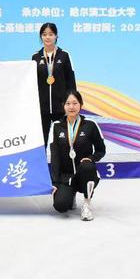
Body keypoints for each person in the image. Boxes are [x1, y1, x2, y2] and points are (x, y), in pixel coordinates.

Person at [49, 90, 106, 221]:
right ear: (63, 105)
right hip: (66, 176)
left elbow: (101, 150)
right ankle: (71, 195)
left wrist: (91, 158)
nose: (71, 107)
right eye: (68, 103)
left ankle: (87, 203)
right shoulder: (56, 126)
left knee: (87, 166)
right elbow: (55, 156)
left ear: (81, 104)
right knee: (60, 206)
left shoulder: (90, 125)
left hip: (84, 173)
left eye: (75, 103)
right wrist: (55, 182)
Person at [32, 23, 77, 145]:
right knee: (41, 142)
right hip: (42, 108)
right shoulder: (35, 57)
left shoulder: (64, 55)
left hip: (61, 108)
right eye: (44, 34)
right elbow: (32, 84)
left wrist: (71, 104)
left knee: (63, 142)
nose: (47, 37)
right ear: (41, 37)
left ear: (56, 36)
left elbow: (71, 81)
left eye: (51, 34)